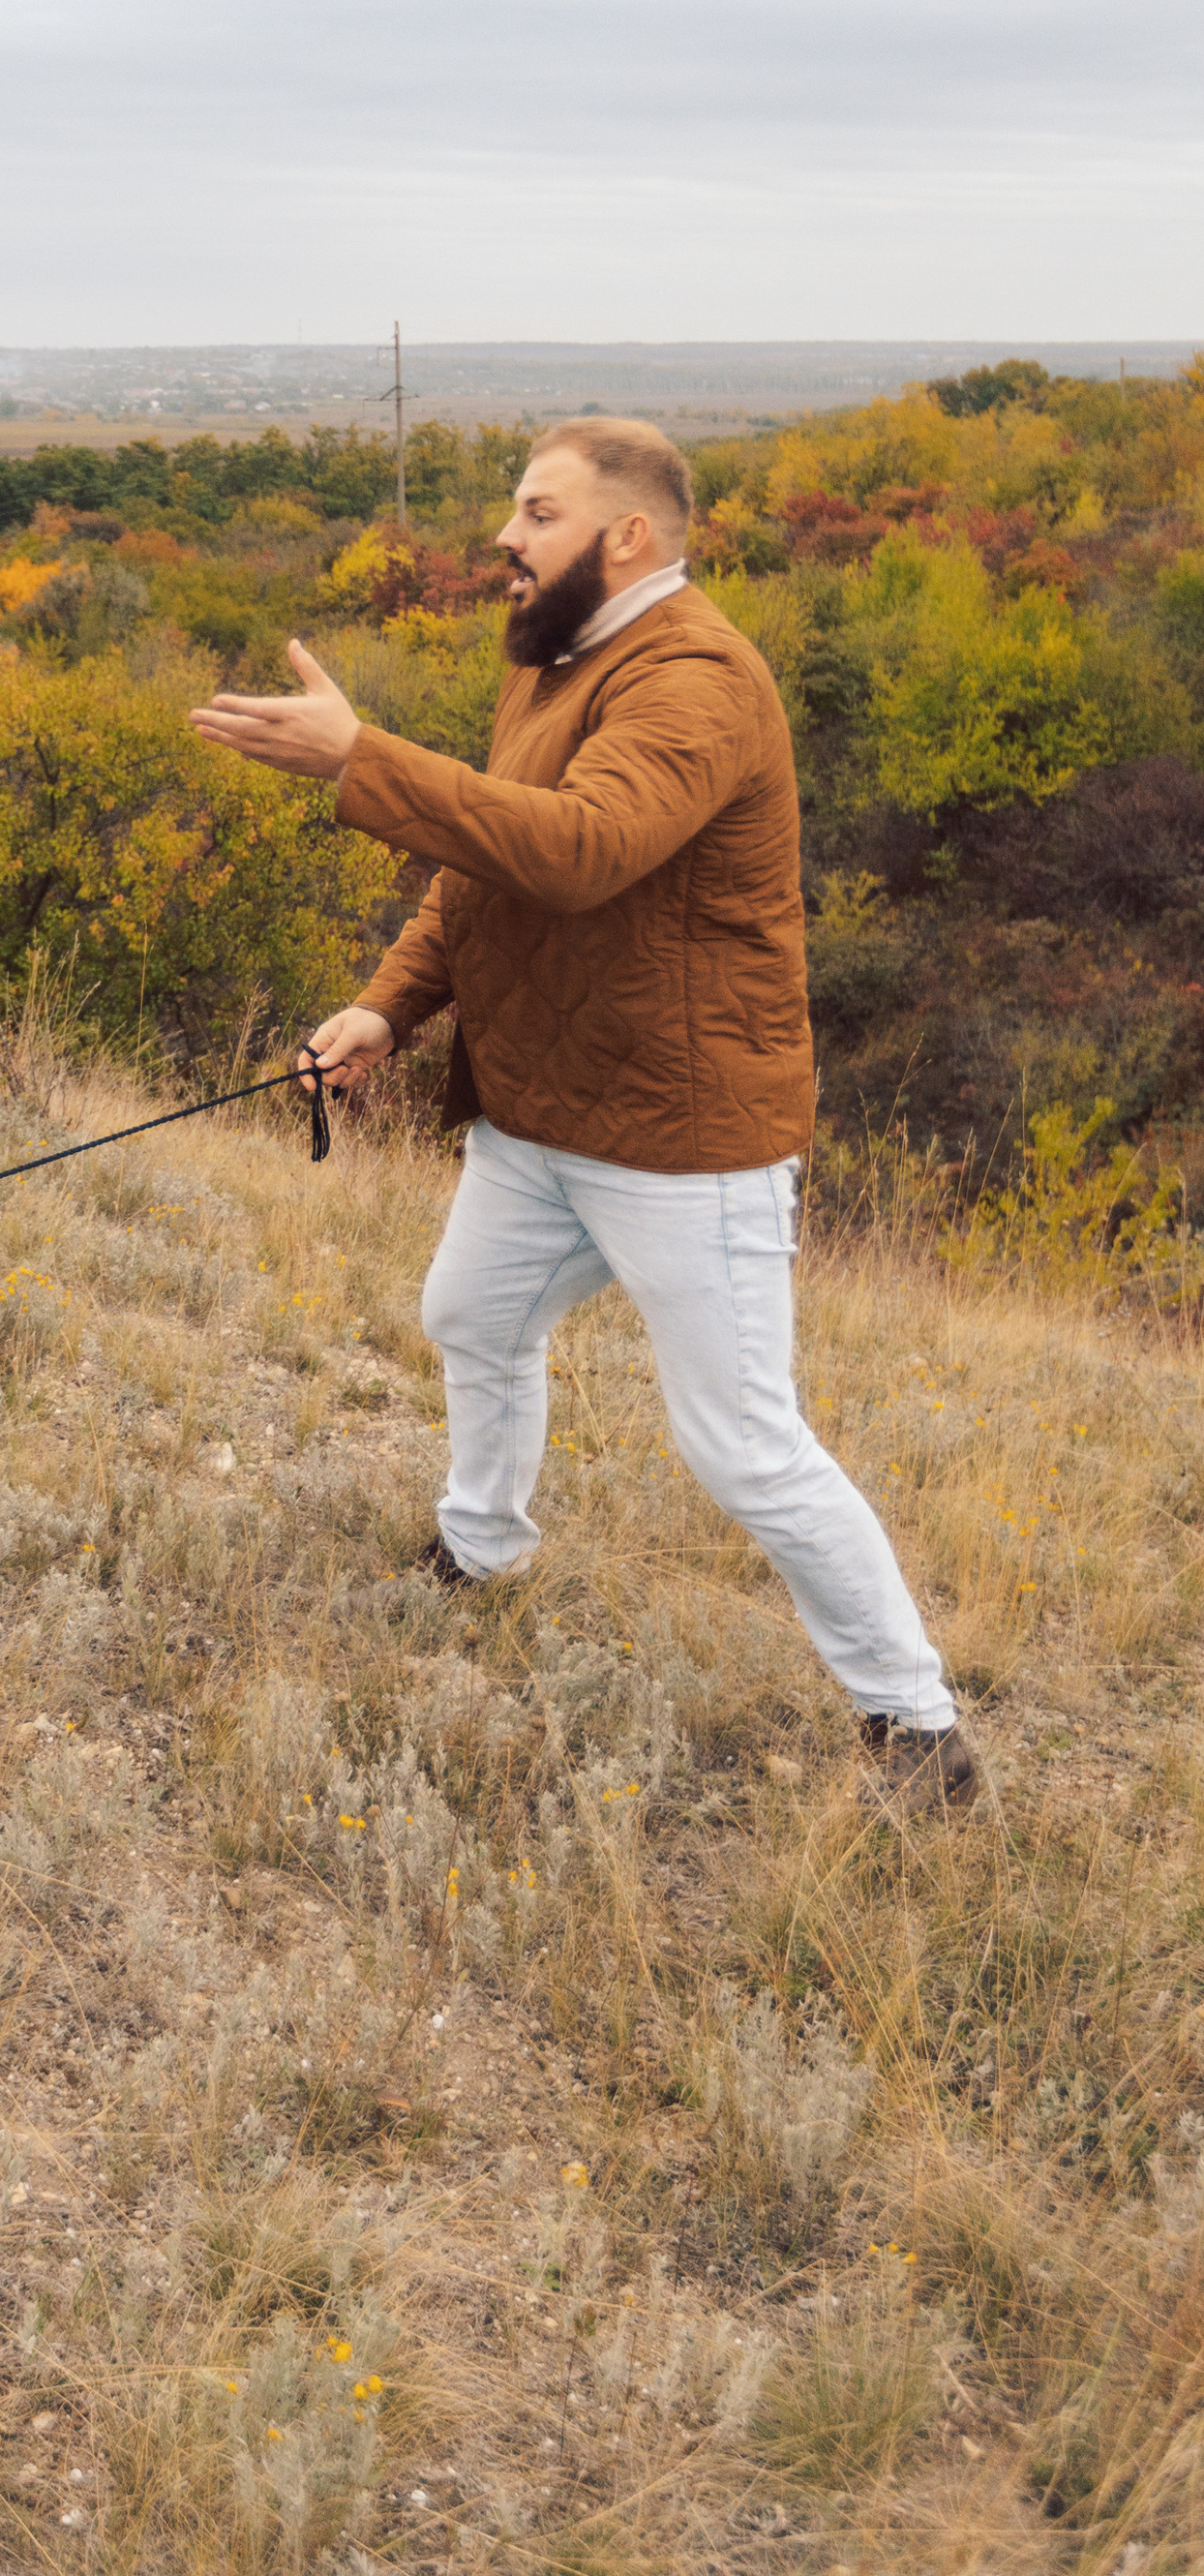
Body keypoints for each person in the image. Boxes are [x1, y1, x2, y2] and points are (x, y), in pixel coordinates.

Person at [190, 414, 974, 1812]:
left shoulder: (698, 680)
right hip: (539, 1116)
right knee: (470, 1319)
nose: (507, 535)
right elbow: (480, 864)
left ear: (628, 536)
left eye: (538, 513)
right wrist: (387, 1008)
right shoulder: (559, 663)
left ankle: (916, 1727)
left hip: (682, 1139)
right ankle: (482, 1547)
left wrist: (357, 759)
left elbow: (577, 852)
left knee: (744, 1444)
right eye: (515, 509)